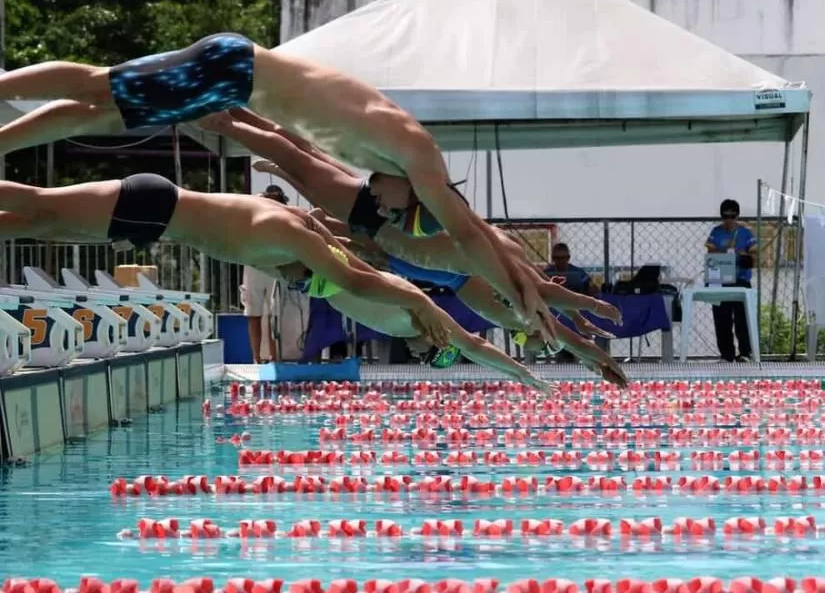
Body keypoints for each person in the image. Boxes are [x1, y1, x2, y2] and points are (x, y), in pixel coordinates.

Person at [0, 34, 556, 340]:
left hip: (231, 77)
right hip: (232, 68)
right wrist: (526, 293)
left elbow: (469, 233)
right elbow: (465, 231)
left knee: (104, 112)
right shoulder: (408, 153)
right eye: (399, 208)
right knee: (100, 89)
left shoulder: (376, 159)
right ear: (418, 188)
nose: (382, 206)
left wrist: (539, 299)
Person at [197, 110, 622, 340]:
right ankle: (233, 121)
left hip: (377, 233)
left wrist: (583, 334)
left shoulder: (468, 276)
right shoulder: (473, 244)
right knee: (304, 162)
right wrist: (594, 309)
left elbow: (534, 301)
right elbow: (537, 290)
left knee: (306, 167)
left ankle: (240, 122)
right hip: (376, 216)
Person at [0, 173, 454, 351]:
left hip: (154, 220)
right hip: (153, 205)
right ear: (309, 264)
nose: (294, 284)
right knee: (39, 204)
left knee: (35, 225)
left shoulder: (292, 236)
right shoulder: (291, 238)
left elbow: (340, 247)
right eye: (305, 283)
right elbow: (358, 281)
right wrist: (426, 305)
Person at [333, 239, 627, 388]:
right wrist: (594, 307)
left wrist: (594, 360)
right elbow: (557, 312)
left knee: (372, 250)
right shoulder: (520, 314)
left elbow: (568, 333)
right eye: (424, 354)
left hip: (448, 272)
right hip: (452, 270)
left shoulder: (518, 317)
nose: (415, 353)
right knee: (375, 249)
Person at [705, 199, 757, 363]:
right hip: (720, 279)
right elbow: (710, 252)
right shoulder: (716, 232)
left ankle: (744, 353)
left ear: (737, 216)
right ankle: (726, 354)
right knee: (721, 318)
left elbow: (754, 258)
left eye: (732, 216)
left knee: (742, 317)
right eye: (725, 216)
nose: (728, 220)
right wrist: (724, 251)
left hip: (740, 279)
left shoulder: (746, 234)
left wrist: (743, 256)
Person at [242, 184, 287, 363]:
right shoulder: (254, 213)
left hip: (275, 266)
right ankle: (256, 358)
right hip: (255, 265)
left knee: (275, 314)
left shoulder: (285, 217)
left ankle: (274, 357)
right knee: (254, 313)